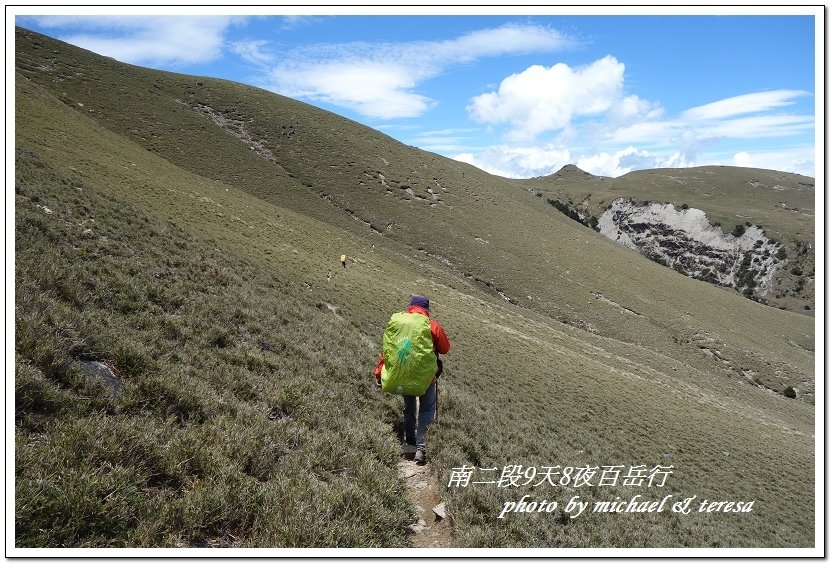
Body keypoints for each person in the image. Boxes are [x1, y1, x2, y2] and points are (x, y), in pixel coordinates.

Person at [374, 295, 450, 464]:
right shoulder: (432, 326)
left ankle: (409, 444)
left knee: (409, 407)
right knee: (427, 410)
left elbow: (387, 351)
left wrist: (379, 373)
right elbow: (445, 349)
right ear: (426, 310)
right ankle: (421, 449)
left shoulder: (396, 322)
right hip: (426, 378)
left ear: (410, 307)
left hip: (402, 373)